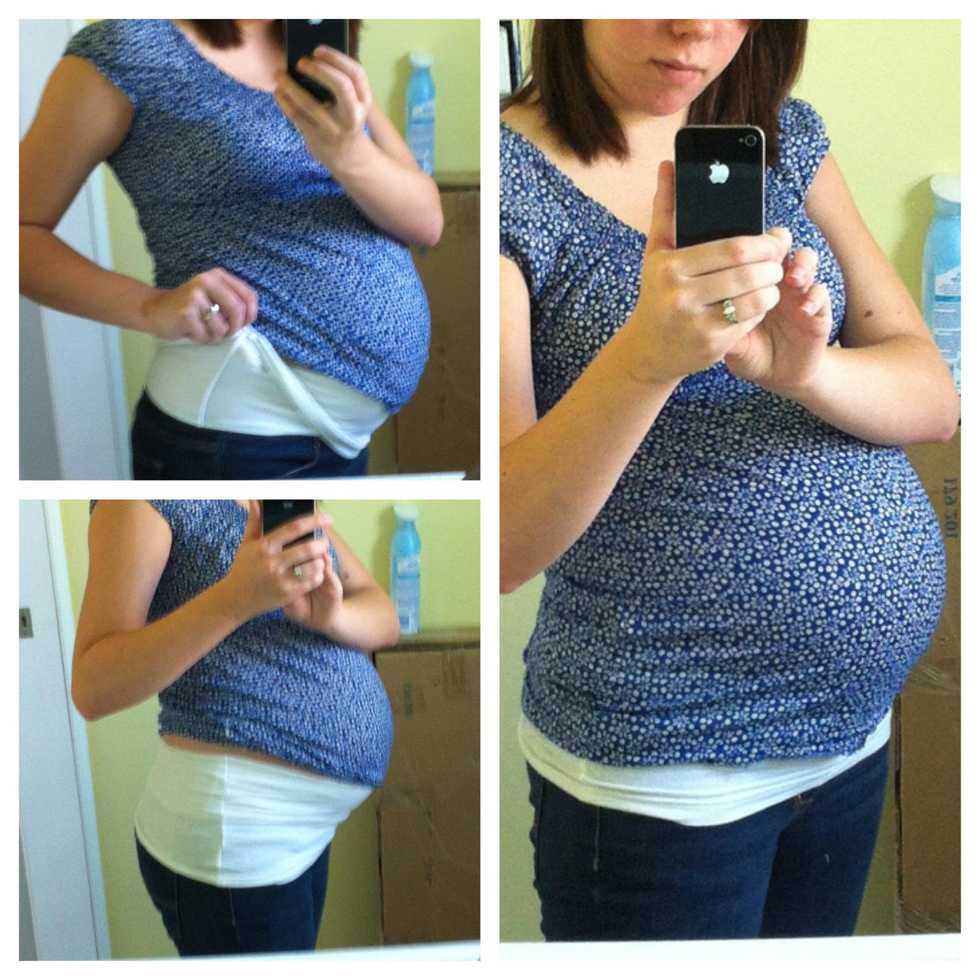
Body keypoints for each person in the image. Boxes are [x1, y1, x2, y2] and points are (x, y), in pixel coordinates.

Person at [500, 19, 958, 941]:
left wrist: (808, 372)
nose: (697, 26)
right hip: (662, 775)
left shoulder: (783, 134)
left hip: (847, 744)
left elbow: (934, 399)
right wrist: (646, 357)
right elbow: (505, 543)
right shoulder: (510, 184)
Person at [21, 20, 443, 478]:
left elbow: (427, 222)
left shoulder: (315, 44)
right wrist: (148, 307)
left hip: (335, 438)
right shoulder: (130, 48)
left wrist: (347, 153)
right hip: (237, 434)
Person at [72, 500, 400, 955]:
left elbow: (385, 617)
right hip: (238, 836)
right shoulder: (144, 500)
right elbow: (92, 687)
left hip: (300, 833)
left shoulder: (275, 492)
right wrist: (235, 600)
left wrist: (330, 618)